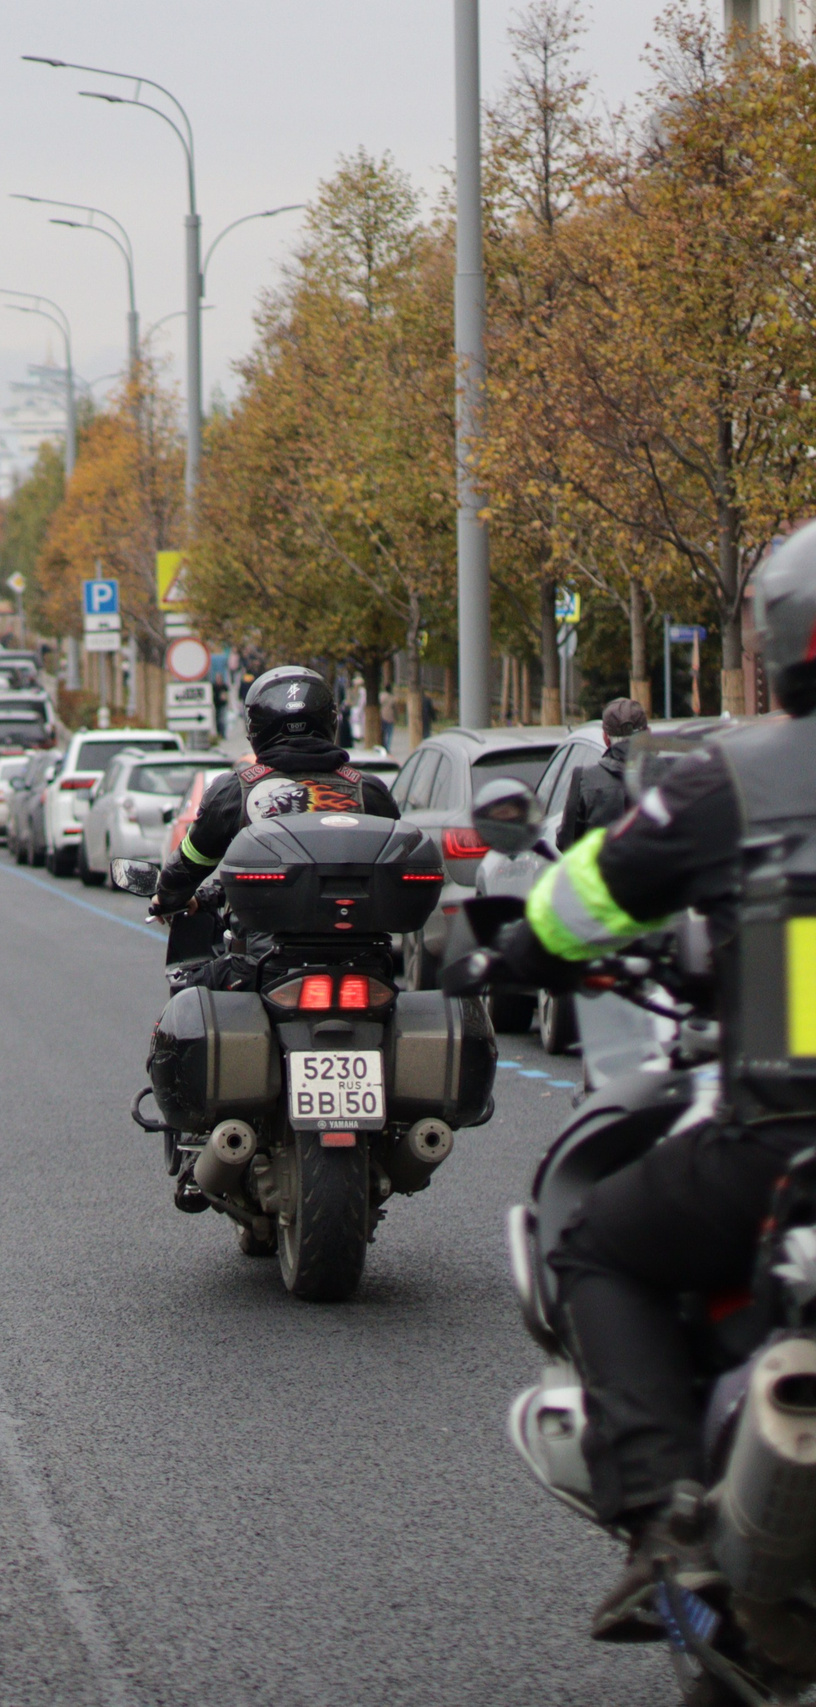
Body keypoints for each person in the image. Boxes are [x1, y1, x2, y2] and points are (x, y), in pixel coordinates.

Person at [453, 525, 816, 1644]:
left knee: (599, 1243)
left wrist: (514, 959)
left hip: (780, 1148)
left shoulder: (728, 780)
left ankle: (662, 1514)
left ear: (773, 641)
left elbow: (570, 909)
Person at [148, 664, 400, 921]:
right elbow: (395, 864)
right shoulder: (367, 790)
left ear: (255, 728)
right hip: (359, 944)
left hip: (262, 949)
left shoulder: (236, 791)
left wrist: (168, 897)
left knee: (199, 962)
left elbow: (191, 861)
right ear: (331, 720)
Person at [556, 697, 650, 849]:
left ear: (606, 738)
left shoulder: (584, 780)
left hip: (602, 871)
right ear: (648, 733)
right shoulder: (673, 775)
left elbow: (566, 843)